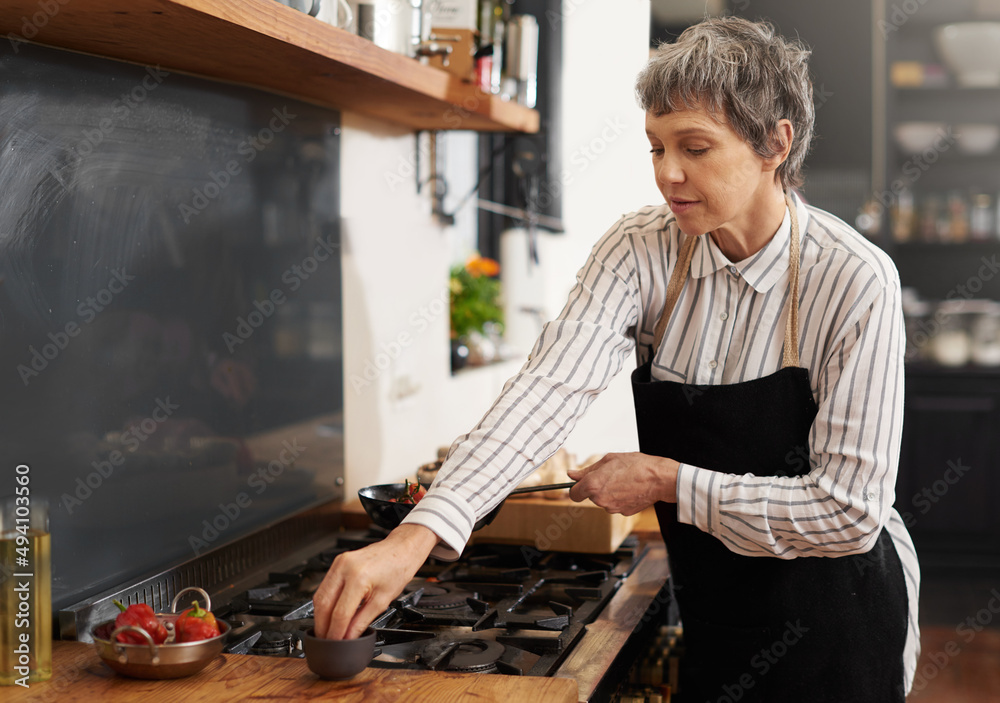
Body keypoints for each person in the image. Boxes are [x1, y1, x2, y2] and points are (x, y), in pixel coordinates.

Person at [313, 16, 919, 702]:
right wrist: (414, 536)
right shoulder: (641, 250)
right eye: (655, 146)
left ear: (774, 144)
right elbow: (547, 389)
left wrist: (665, 479)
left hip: (842, 620)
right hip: (717, 612)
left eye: (695, 147)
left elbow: (848, 510)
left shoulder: (855, 280)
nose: (667, 173)